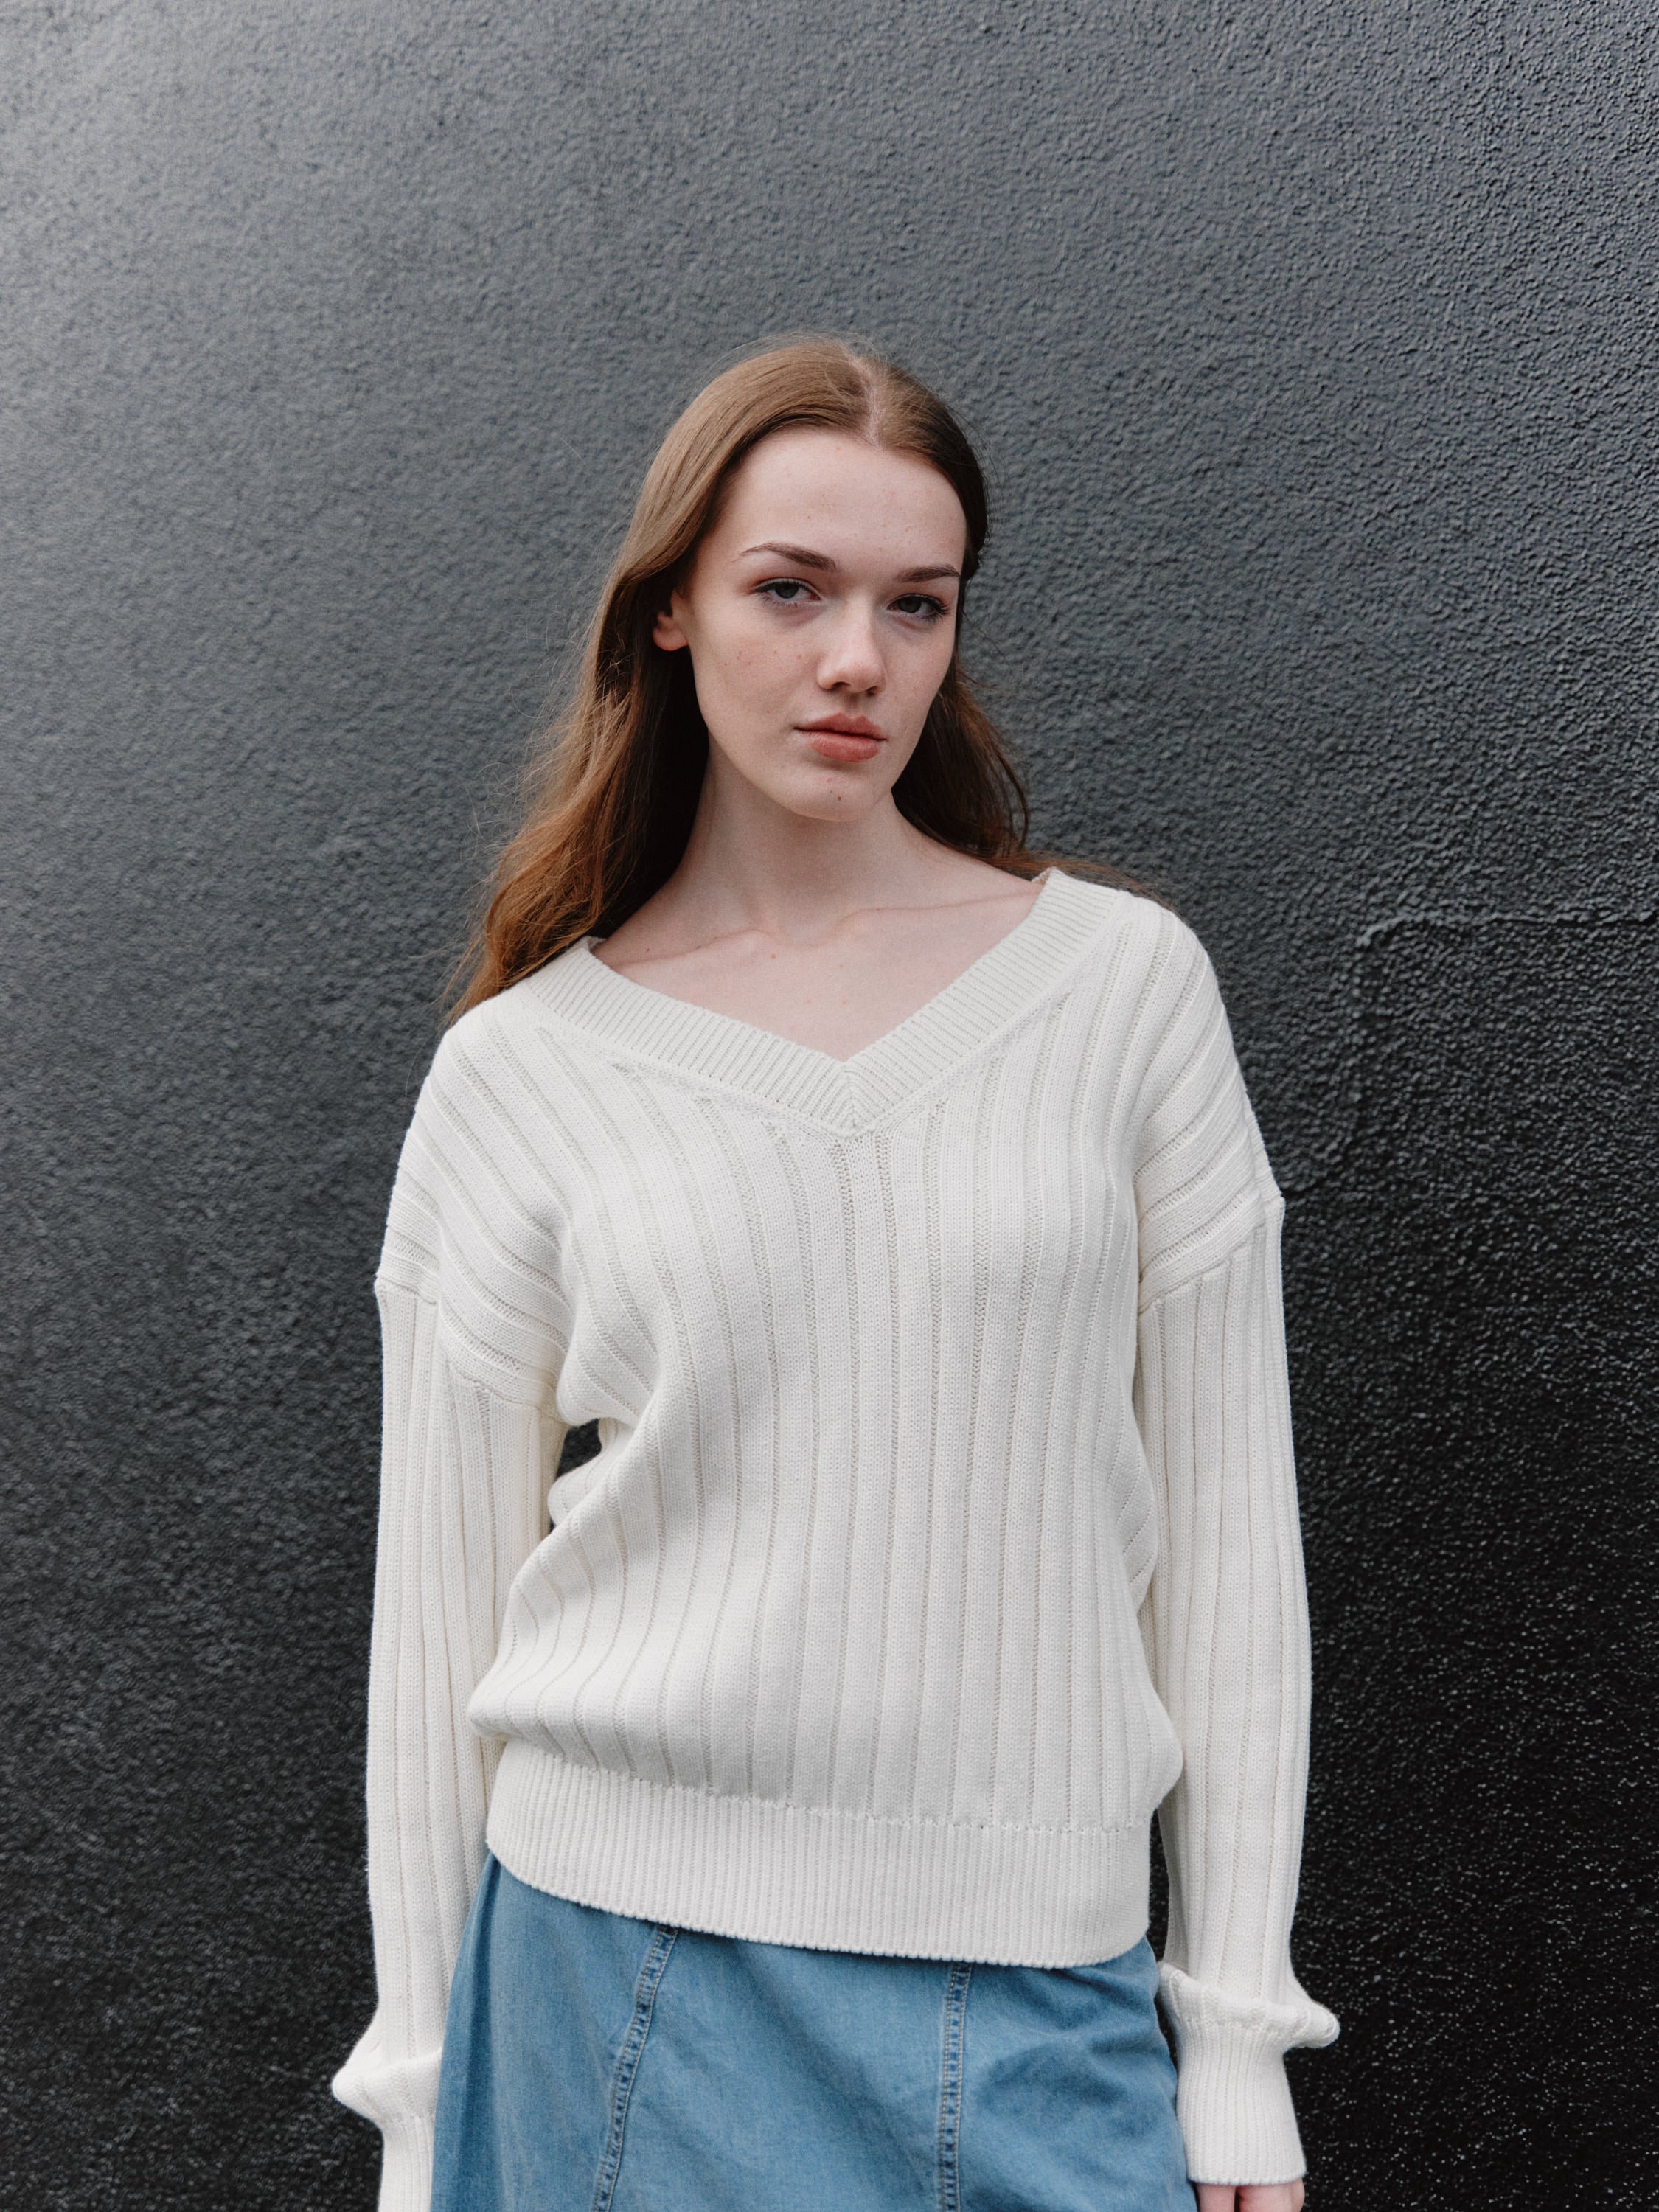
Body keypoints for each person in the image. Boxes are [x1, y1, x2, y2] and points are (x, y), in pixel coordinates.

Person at [332, 336, 1338, 2212]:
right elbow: (435, 1628)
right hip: (618, 1997)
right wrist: (418, 2114)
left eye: (916, 603)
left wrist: (1235, 2043)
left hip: (1049, 1995)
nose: (858, 658)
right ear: (671, 613)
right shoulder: (526, 1069)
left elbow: (1228, 1554)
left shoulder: (1122, 993)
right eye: (790, 590)